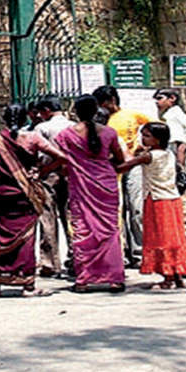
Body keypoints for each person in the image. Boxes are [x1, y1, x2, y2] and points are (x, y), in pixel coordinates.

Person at [0, 105, 66, 297]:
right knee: (26, 238)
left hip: (0, 195)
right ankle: (27, 285)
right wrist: (42, 171)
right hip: (24, 194)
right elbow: (61, 156)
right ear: (26, 118)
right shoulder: (32, 138)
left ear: (4, 119)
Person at [56, 96, 127, 293]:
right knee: (110, 230)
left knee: (83, 230)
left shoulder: (66, 134)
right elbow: (119, 160)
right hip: (106, 185)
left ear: (75, 112)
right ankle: (115, 278)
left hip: (81, 186)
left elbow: (60, 162)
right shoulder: (109, 133)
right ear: (96, 110)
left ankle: (84, 279)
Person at [125, 123, 186, 289]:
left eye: (147, 136)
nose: (143, 139)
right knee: (174, 238)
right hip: (172, 199)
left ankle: (168, 277)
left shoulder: (149, 156)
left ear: (158, 139)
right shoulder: (168, 154)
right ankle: (176, 274)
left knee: (160, 238)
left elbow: (124, 166)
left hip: (157, 201)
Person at [94, 85, 150, 267]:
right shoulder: (100, 121)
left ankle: (140, 252)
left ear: (112, 100)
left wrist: (142, 144)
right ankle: (122, 252)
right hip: (112, 168)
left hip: (132, 166)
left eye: (102, 102)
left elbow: (155, 126)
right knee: (117, 210)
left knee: (136, 208)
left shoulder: (131, 115)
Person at [33, 97, 74, 276]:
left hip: (49, 173)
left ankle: (50, 263)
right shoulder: (74, 126)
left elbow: (40, 154)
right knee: (71, 217)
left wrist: (41, 170)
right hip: (72, 174)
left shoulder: (42, 128)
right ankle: (76, 258)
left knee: (47, 217)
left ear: (47, 110)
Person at [154, 88, 186, 192]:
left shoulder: (171, 116)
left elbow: (181, 146)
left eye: (159, 98)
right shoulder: (180, 115)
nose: (157, 102)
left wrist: (180, 171)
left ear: (172, 98)